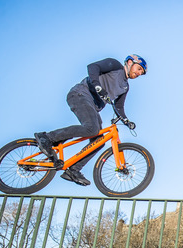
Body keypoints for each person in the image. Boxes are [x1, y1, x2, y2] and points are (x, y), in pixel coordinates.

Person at [34, 54, 147, 186]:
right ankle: (47, 137)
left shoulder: (125, 87)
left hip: (92, 106)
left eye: (141, 72)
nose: (139, 73)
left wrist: (127, 121)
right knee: (92, 128)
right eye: (139, 69)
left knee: (99, 141)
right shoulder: (115, 66)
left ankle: (73, 170)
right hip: (80, 94)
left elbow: (119, 106)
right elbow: (93, 67)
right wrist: (97, 86)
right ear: (129, 62)